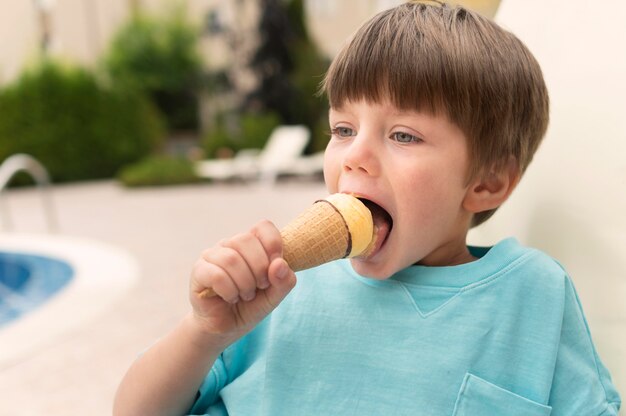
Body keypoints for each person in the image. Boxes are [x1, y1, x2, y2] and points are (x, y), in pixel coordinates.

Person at [114, 1, 621, 415]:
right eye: (342, 129)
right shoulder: (277, 289)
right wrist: (203, 332)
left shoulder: (532, 295)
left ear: (487, 183)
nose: (355, 155)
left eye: (403, 135)